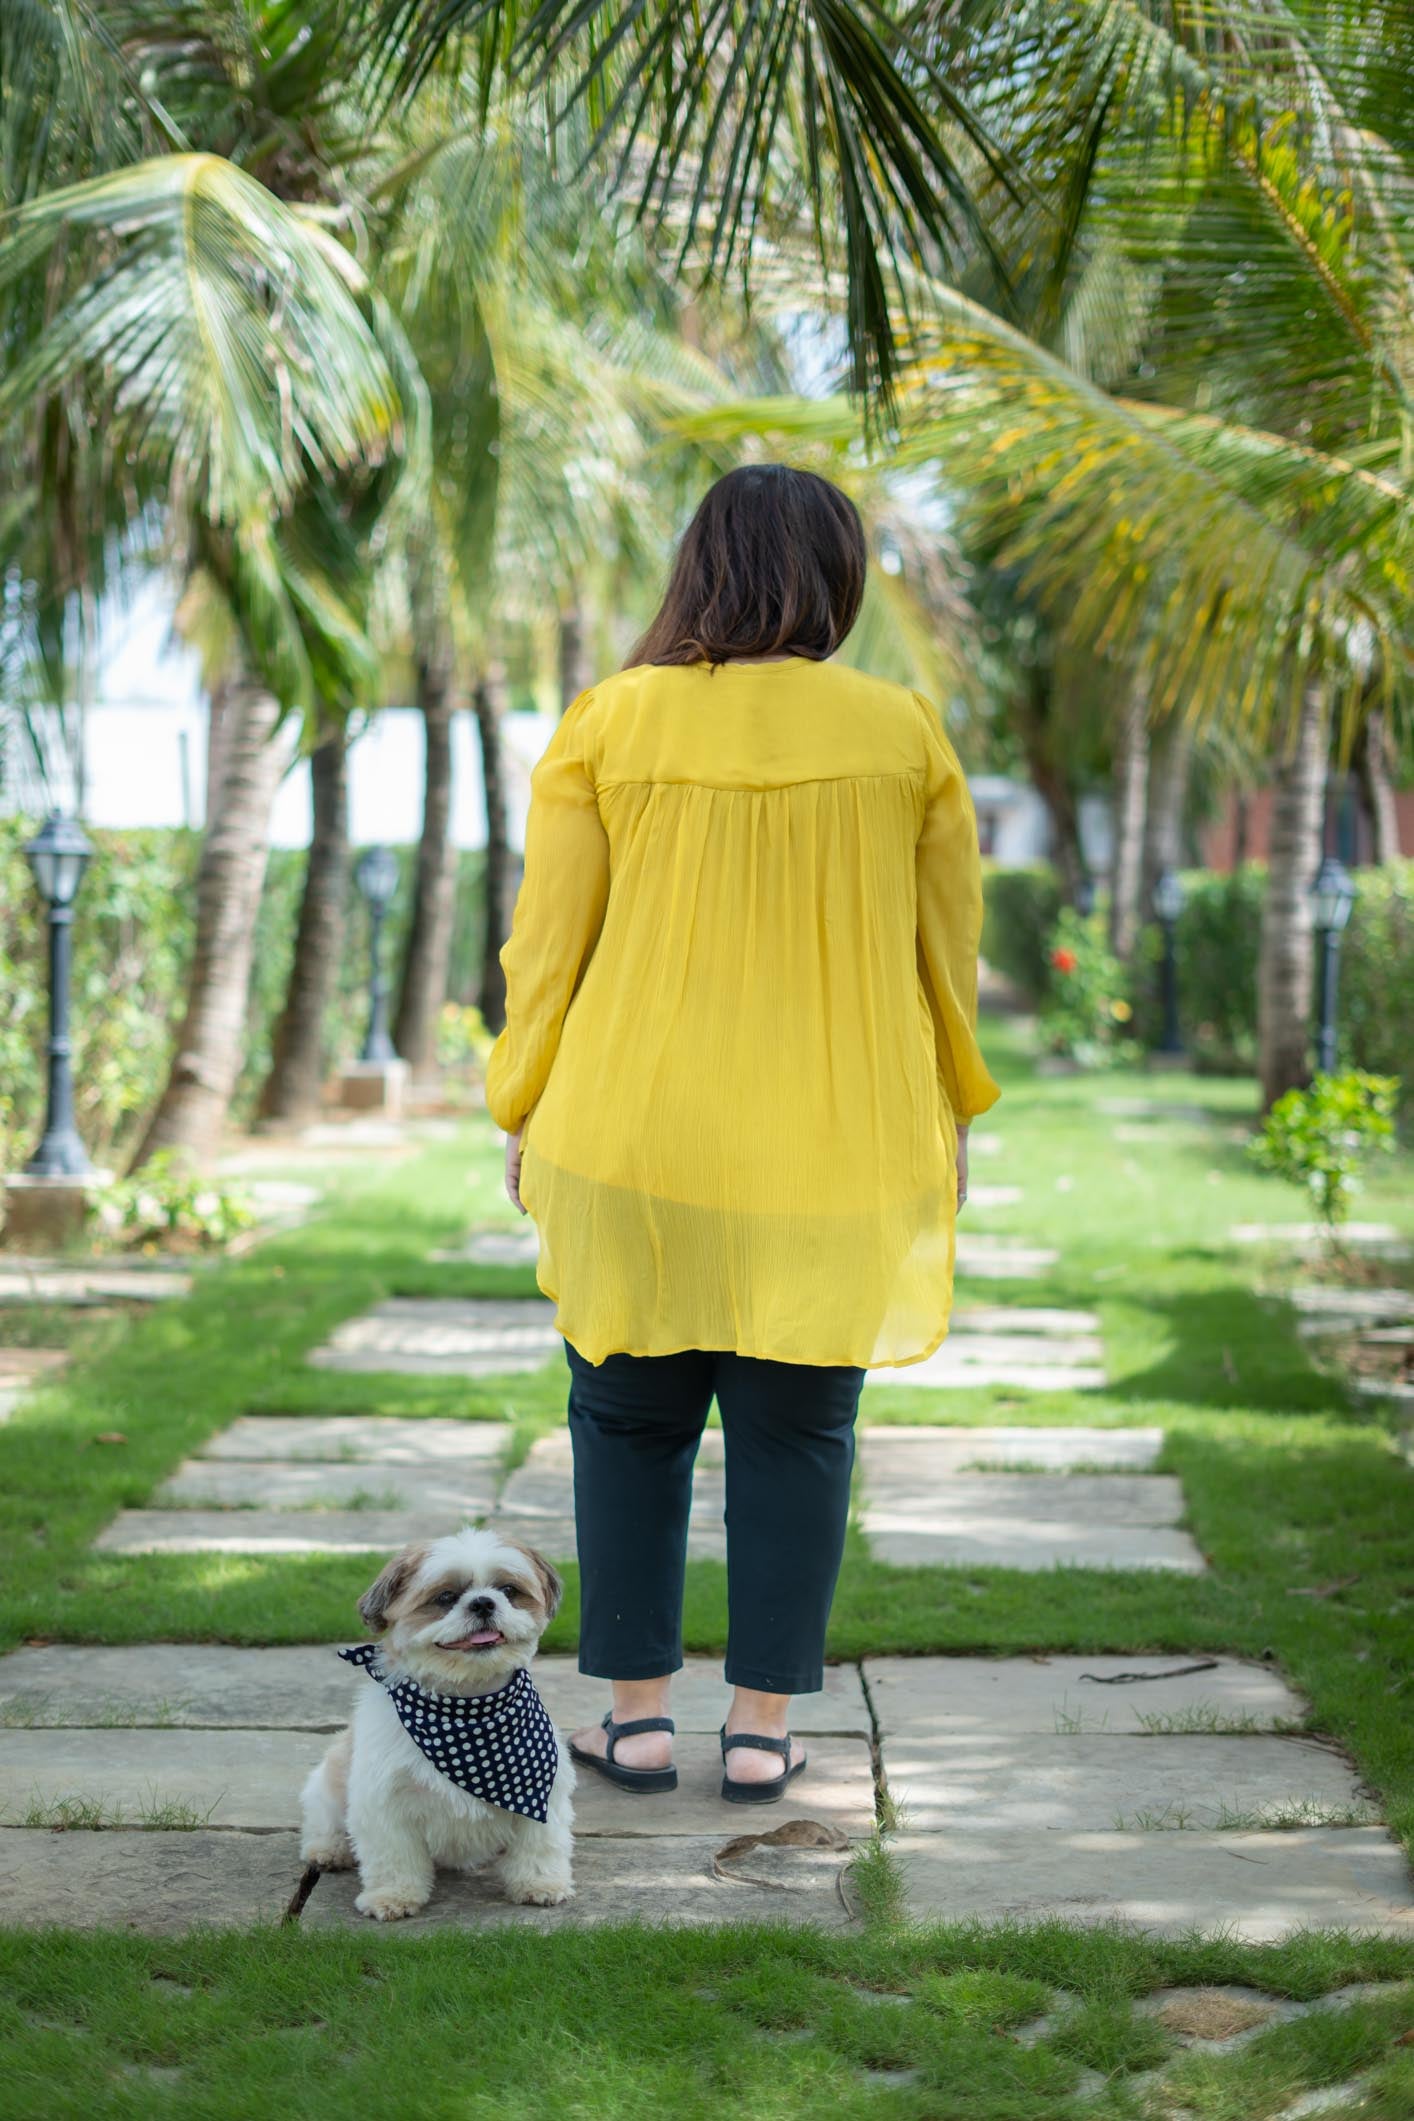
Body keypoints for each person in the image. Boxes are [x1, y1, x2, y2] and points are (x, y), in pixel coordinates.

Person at [484, 465, 999, 1804]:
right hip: (836, 1140)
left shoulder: (612, 718)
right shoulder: (901, 731)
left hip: (631, 1130)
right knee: (798, 1433)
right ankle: (760, 1728)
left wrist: (521, 1095)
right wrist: (950, 1106)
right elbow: (945, 952)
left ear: (696, 566)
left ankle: (638, 1719)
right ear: (835, 576)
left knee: (625, 1419)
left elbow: (547, 947)